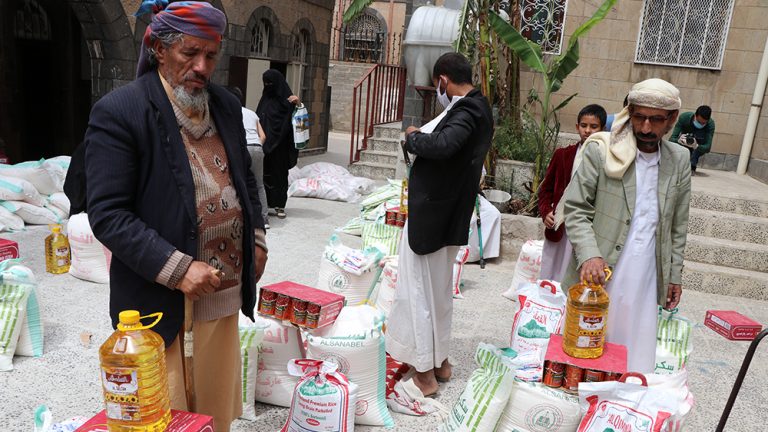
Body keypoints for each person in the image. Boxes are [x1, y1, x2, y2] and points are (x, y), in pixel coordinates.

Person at [84, 3, 268, 431]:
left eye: (211, 55)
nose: (201, 67)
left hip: (220, 295)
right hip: (161, 302)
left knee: (213, 410)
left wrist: (256, 238)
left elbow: (244, 177)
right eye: (190, 53)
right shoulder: (121, 112)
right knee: (164, 413)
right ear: (159, 49)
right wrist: (179, 269)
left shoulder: (223, 104)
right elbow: (108, 214)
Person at [562, 78, 691, 373]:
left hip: (646, 271)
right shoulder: (602, 151)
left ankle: (620, 407)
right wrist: (590, 255)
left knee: (632, 350)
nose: (646, 128)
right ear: (629, 113)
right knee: (589, 343)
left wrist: (674, 275)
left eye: (656, 120)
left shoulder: (679, 160)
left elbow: (678, 225)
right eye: (639, 117)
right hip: (602, 268)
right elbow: (576, 208)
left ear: (671, 120)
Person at [385, 52, 493, 396]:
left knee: (417, 293)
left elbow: (445, 145)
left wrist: (413, 137)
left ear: (443, 80)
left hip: (434, 217)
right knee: (437, 292)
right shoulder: (480, 108)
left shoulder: (467, 110)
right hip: (447, 214)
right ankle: (441, 362)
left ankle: (423, 374)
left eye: (437, 85)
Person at [538, 104, 606, 282]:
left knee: (573, 278)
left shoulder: (606, 160)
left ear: (603, 129)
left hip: (585, 230)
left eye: (594, 126)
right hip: (559, 225)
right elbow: (545, 189)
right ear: (577, 127)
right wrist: (545, 212)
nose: (588, 131)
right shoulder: (562, 155)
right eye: (584, 126)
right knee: (550, 273)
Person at [256, 69, 301, 219]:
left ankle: (280, 205)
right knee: (264, 175)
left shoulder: (289, 101)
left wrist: (299, 105)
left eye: (270, 83)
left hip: (281, 146)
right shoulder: (265, 99)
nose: (268, 86)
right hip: (265, 145)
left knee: (279, 175)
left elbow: (301, 121)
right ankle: (266, 204)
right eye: (265, 83)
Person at [230, 86, 269, 228]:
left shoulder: (230, 112)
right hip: (257, 147)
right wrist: (256, 146)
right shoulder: (252, 113)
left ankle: (244, 216)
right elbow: (263, 136)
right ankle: (264, 220)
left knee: (239, 182)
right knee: (259, 184)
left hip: (243, 147)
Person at [669, 105, 715, 174]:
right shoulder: (684, 118)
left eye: (703, 123)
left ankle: (692, 165)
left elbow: (707, 147)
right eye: (699, 122)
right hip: (683, 144)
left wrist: (696, 145)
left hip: (699, 144)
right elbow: (671, 139)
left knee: (697, 151)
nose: (701, 124)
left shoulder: (710, 124)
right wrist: (679, 141)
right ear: (695, 116)